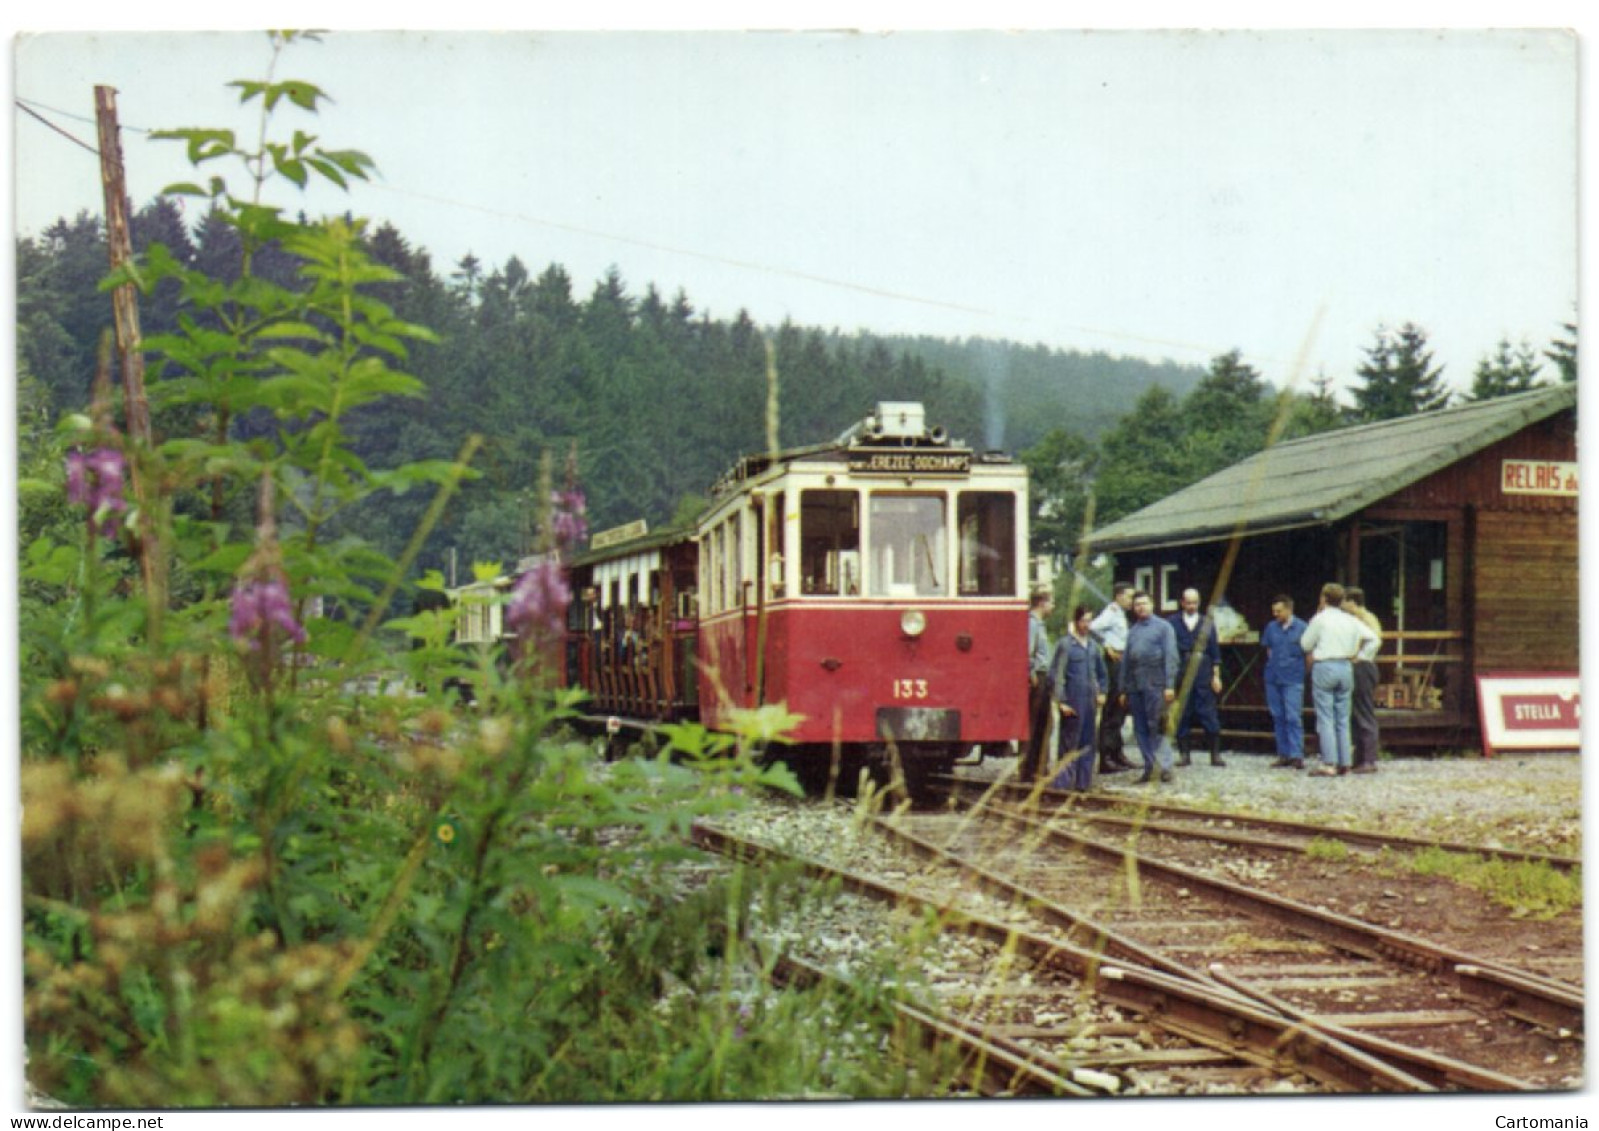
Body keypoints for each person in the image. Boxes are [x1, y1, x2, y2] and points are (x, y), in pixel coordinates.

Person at [1299, 582, 1379, 778]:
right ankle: (1345, 762)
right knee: (1343, 717)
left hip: (1325, 665)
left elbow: (1305, 643)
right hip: (1346, 666)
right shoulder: (1350, 620)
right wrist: (1361, 655)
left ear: (1324, 599)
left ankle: (1329, 762)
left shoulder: (1320, 619)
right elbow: (1374, 638)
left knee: (1326, 716)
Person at [1048, 604, 1109, 791]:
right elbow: (1056, 675)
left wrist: (1103, 692)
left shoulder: (1093, 646)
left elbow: (1102, 673)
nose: (1087, 625)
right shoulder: (1065, 645)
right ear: (1076, 622)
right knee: (1069, 744)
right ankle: (1062, 785)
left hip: (1090, 702)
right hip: (1073, 701)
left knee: (1088, 743)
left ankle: (1083, 784)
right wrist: (1061, 702)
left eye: (1090, 620)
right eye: (1083, 620)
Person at [1120, 590, 1179, 783]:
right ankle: (1149, 766)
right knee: (1140, 728)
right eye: (1137, 604)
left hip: (1157, 684)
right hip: (1136, 686)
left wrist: (1169, 685)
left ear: (1152, 605)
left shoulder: (1164, 627)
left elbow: (1171, 657)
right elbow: (1126, 662)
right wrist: (1123, 688)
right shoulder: (1133, 631)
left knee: (1158, 726)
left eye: (1144, 603)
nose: (1141, 607)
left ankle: (1165, 767)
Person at [1168, 587, 1225, 767]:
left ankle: (1215, 755)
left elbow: (1215, 651)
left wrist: (1216, 676)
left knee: (1208, 712)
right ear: (1182, 602)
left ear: (1199, 603)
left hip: (1203, 669)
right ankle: (1184, 755)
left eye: (1195, 602)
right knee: (1183, 713)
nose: (1192, 606)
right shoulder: (1172, 622)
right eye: (1188, 602)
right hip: (1182, 669)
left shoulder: (1207, 622)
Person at [1089, 583, 1137, 774]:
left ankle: (1118, 754)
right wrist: (1106, 645)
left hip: (1123, 661)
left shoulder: (1121, 614)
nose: (1131, 601)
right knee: (1112, 710)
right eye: (1128, 596)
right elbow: (1092, 628)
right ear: (1118, 596)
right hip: (1114, 662)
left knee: (1121, 710)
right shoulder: (1111, 611)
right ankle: (1106, 758)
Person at [1261, 595, 1308, 769]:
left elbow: (1308, 654)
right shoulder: (1271, 627)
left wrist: (1302, 672)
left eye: (1279, 611)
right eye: (1274, 611)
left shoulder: (1303, 627)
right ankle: (1283, 754)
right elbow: (1268, 649)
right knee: (1278, 716)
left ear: (1289, 609)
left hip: (1293, 678)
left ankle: (1297, 754)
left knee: (1293, 716)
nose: (1275, 614)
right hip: (1273, 678)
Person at [1345, 587, 1383, 774]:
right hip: (1357, 666)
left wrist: (1360, 656)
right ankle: (1360, 756)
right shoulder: (1355, 619)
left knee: (1364, 711)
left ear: (1353, 602)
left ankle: (1369, 759)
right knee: (1356, 713)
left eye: (1346, 601)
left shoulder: (1367, 618)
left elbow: (1375, 640)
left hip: (1363, 667)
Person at [1020, 587, 1055, 783]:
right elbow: (1026, 651)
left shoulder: (1039, 624)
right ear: (1042, 603)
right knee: (1036, 724)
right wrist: (1030, 673)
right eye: (1051, 602)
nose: (1053, 606)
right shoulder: (1032, 624)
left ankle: (1038, 767)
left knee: (1044, 723)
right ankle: (1030, 769)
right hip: (1037, 678)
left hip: (1043, 677)